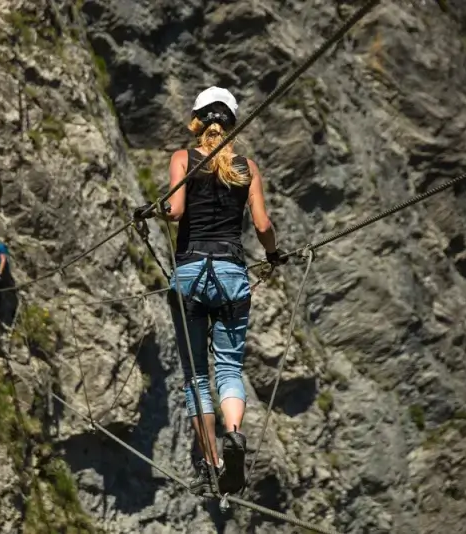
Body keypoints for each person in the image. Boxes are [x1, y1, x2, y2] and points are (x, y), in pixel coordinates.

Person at [134, 86, 287, 496]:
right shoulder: (247, 166)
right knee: (230, 370)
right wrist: (273, 255)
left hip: (190, 276)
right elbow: (262, 226)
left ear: (197, 121)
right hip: (233, 274)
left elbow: (176, 211)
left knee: (196, 376)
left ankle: (213, 461)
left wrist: (153, 211)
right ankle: (233, 433)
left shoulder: (183, 160)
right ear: (232, 125)